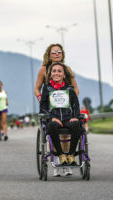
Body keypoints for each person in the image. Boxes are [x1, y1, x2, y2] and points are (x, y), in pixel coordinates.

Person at [35, 43, 79, 177]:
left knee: (66, 135)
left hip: (65, 105)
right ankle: (56, 160)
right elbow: (37, 88)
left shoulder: (67, 69)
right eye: (54, 52)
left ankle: (67, 159)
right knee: (52, 128)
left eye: (59, 51)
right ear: (49, 54)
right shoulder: (43, 69)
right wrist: (43, 99)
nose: (57, 54)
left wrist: (70, 97)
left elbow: (75, 88)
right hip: (50, 105)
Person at [40, 62, 81, 168]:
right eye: (54, 71)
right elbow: (43, 106)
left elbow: (76, 105)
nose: (56, 73)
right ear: (50, 74)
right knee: (52, 126)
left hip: (68, 118)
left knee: (77, 124)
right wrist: (51, 117)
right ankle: (61, 154)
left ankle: (71, 154)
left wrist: (75, 117)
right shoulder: (47, 88)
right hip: (54, 119)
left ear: (64, 75)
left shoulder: (69, 89)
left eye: (59, 71)